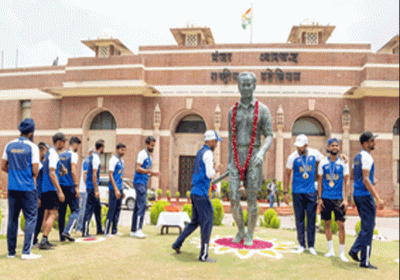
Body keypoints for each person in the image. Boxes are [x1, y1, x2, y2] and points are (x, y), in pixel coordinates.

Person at [227, 72, 273, 246]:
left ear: (254, 86)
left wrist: (261, 153)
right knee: (233, 197)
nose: (246, 88)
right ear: (238, 86)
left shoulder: (263, 109)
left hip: (254, 155)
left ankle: (250, 233)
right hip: (236, 156)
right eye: (242, 85)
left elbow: (269, 135)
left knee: (252, 198)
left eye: (249, 85)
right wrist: (230, 162)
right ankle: (240, 230)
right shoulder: (232, 111)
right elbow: (231, 140)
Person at [172, 130, 223, 262]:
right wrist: (216, 169)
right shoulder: (208, 153)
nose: (217, 144)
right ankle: (203, 255)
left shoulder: (200, 152)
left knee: (195, 221)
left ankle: (177, 243)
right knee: (207, 222)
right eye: (216, 141)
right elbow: (209, 174)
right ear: (211, 140)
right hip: (201, 193)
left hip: (195, 192)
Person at [1, 118, 41, 260]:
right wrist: (26, 174)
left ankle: (11, 253)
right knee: (31, 218)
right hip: (28, 188)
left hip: (12, 188)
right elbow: (35, 170)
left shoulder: (9, 145)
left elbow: (3, 166)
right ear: (31, 132)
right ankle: (26, 252)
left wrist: (14, 173)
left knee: (13, 219)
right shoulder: (33, 147)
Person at [348, 131, 385, 269]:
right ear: (365, 143)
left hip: (357, 194)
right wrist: (378, 199)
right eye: (371, 141)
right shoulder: (367, 157)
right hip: (364, 195)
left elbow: (353, 176)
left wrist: (370, 179)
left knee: (366, 226)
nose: (374, 142)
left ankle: (354, 250)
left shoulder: (357, 157)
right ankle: (365, 262)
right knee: (368, 228)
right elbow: (364, 178)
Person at [283, 134, 324, 255]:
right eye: (297, 146)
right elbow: (287, 174)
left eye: (300, 146)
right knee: (299, 219)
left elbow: (326, 160)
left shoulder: (314, 153)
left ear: (306, 145)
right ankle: (301, 244)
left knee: (311, 219)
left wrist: (340, 157)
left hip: (311, 191)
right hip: (297, 192)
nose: (298, 148)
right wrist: (286, 192)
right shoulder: (292, 157)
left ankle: (311, 246)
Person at [317, 138, 350, 262]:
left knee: (341, 225)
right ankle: (330, 250)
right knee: (327, 224)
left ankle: (342, 253)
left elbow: (346, 181)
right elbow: (320, 182)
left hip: (338, 199)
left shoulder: (343, 162)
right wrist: (319, 198)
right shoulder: (323, 162)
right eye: (332, 145)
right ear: (328, 147)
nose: (335, 147)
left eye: (337, 145)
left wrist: (346, 199)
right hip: (325, 198)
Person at [38, 132, 67, 250]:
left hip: (45, 189)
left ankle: (45, 239)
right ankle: (44, 239)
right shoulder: (54, 154)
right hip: (51, 189)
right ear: (58, 141)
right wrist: (60, 191)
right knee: (53, 214)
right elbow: (51, 173)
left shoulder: (49, 154)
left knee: (47, 214)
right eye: (63, 141)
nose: (64, 144)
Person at [130, 136, 159, 238]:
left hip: (143, 182)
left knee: (138, 206)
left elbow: (146, 172)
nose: (153, 147)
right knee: (142, 206)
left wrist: (153, 174)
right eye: (151, 145)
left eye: (154, 145)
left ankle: (133, 230)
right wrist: (148, 171)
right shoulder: (142, 154)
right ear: (146, 144)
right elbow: (138, 168)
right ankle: (138, 229)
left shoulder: (149, 157)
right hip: (139, 182)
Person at [58, 136, 81, 242]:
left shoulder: (61, 155)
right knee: (76, 210)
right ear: (75, 145)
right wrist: (76, 186)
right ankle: (67, 231)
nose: (78, 149)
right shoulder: (73, 155)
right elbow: (73, 171)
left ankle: (61, 237)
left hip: (61, 187)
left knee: (62, 212)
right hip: (70, 186)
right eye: (78, 146)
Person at [82, 140, 105, 237]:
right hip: (92, 187)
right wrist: (95, 189)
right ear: (102, 147)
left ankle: (99, 229)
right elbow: (94, 175)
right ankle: (85, 231)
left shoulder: (94, 157)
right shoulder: (96, 158)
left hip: (92, 186)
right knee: (89, 209)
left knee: (98, 208)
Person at [104, 143, 126, 236]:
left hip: (120, 189)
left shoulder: (122, 161)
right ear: (117, 150)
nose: (123, 152)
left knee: (118, 209)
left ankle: (114, 230)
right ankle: (106, 231)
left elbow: (120, 177)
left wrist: (122, 189)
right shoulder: (113, 160)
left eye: (124, 150)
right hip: (113, 189)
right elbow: (110, 175)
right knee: (112, 210)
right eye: (121, 150)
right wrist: (116, 189)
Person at [33, 142, 49, 247]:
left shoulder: (40, 163)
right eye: (45, 151)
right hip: (38, 194)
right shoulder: (38, 164)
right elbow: (36, 180)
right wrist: (37, 196)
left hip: (41, 194)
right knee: (37, 218)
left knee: (39, 218)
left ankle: (34, 239)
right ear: (41, 150)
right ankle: (33, 240)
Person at [75, 148, 94, 233]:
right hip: (85, 189)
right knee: (83, 209)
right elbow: (85, 176)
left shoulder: (91, 161)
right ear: (90, 153)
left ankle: (83, 227)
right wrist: (88, 187)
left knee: (87, 209)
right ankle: (78, 228)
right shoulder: (87, 161)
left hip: (88, 189)